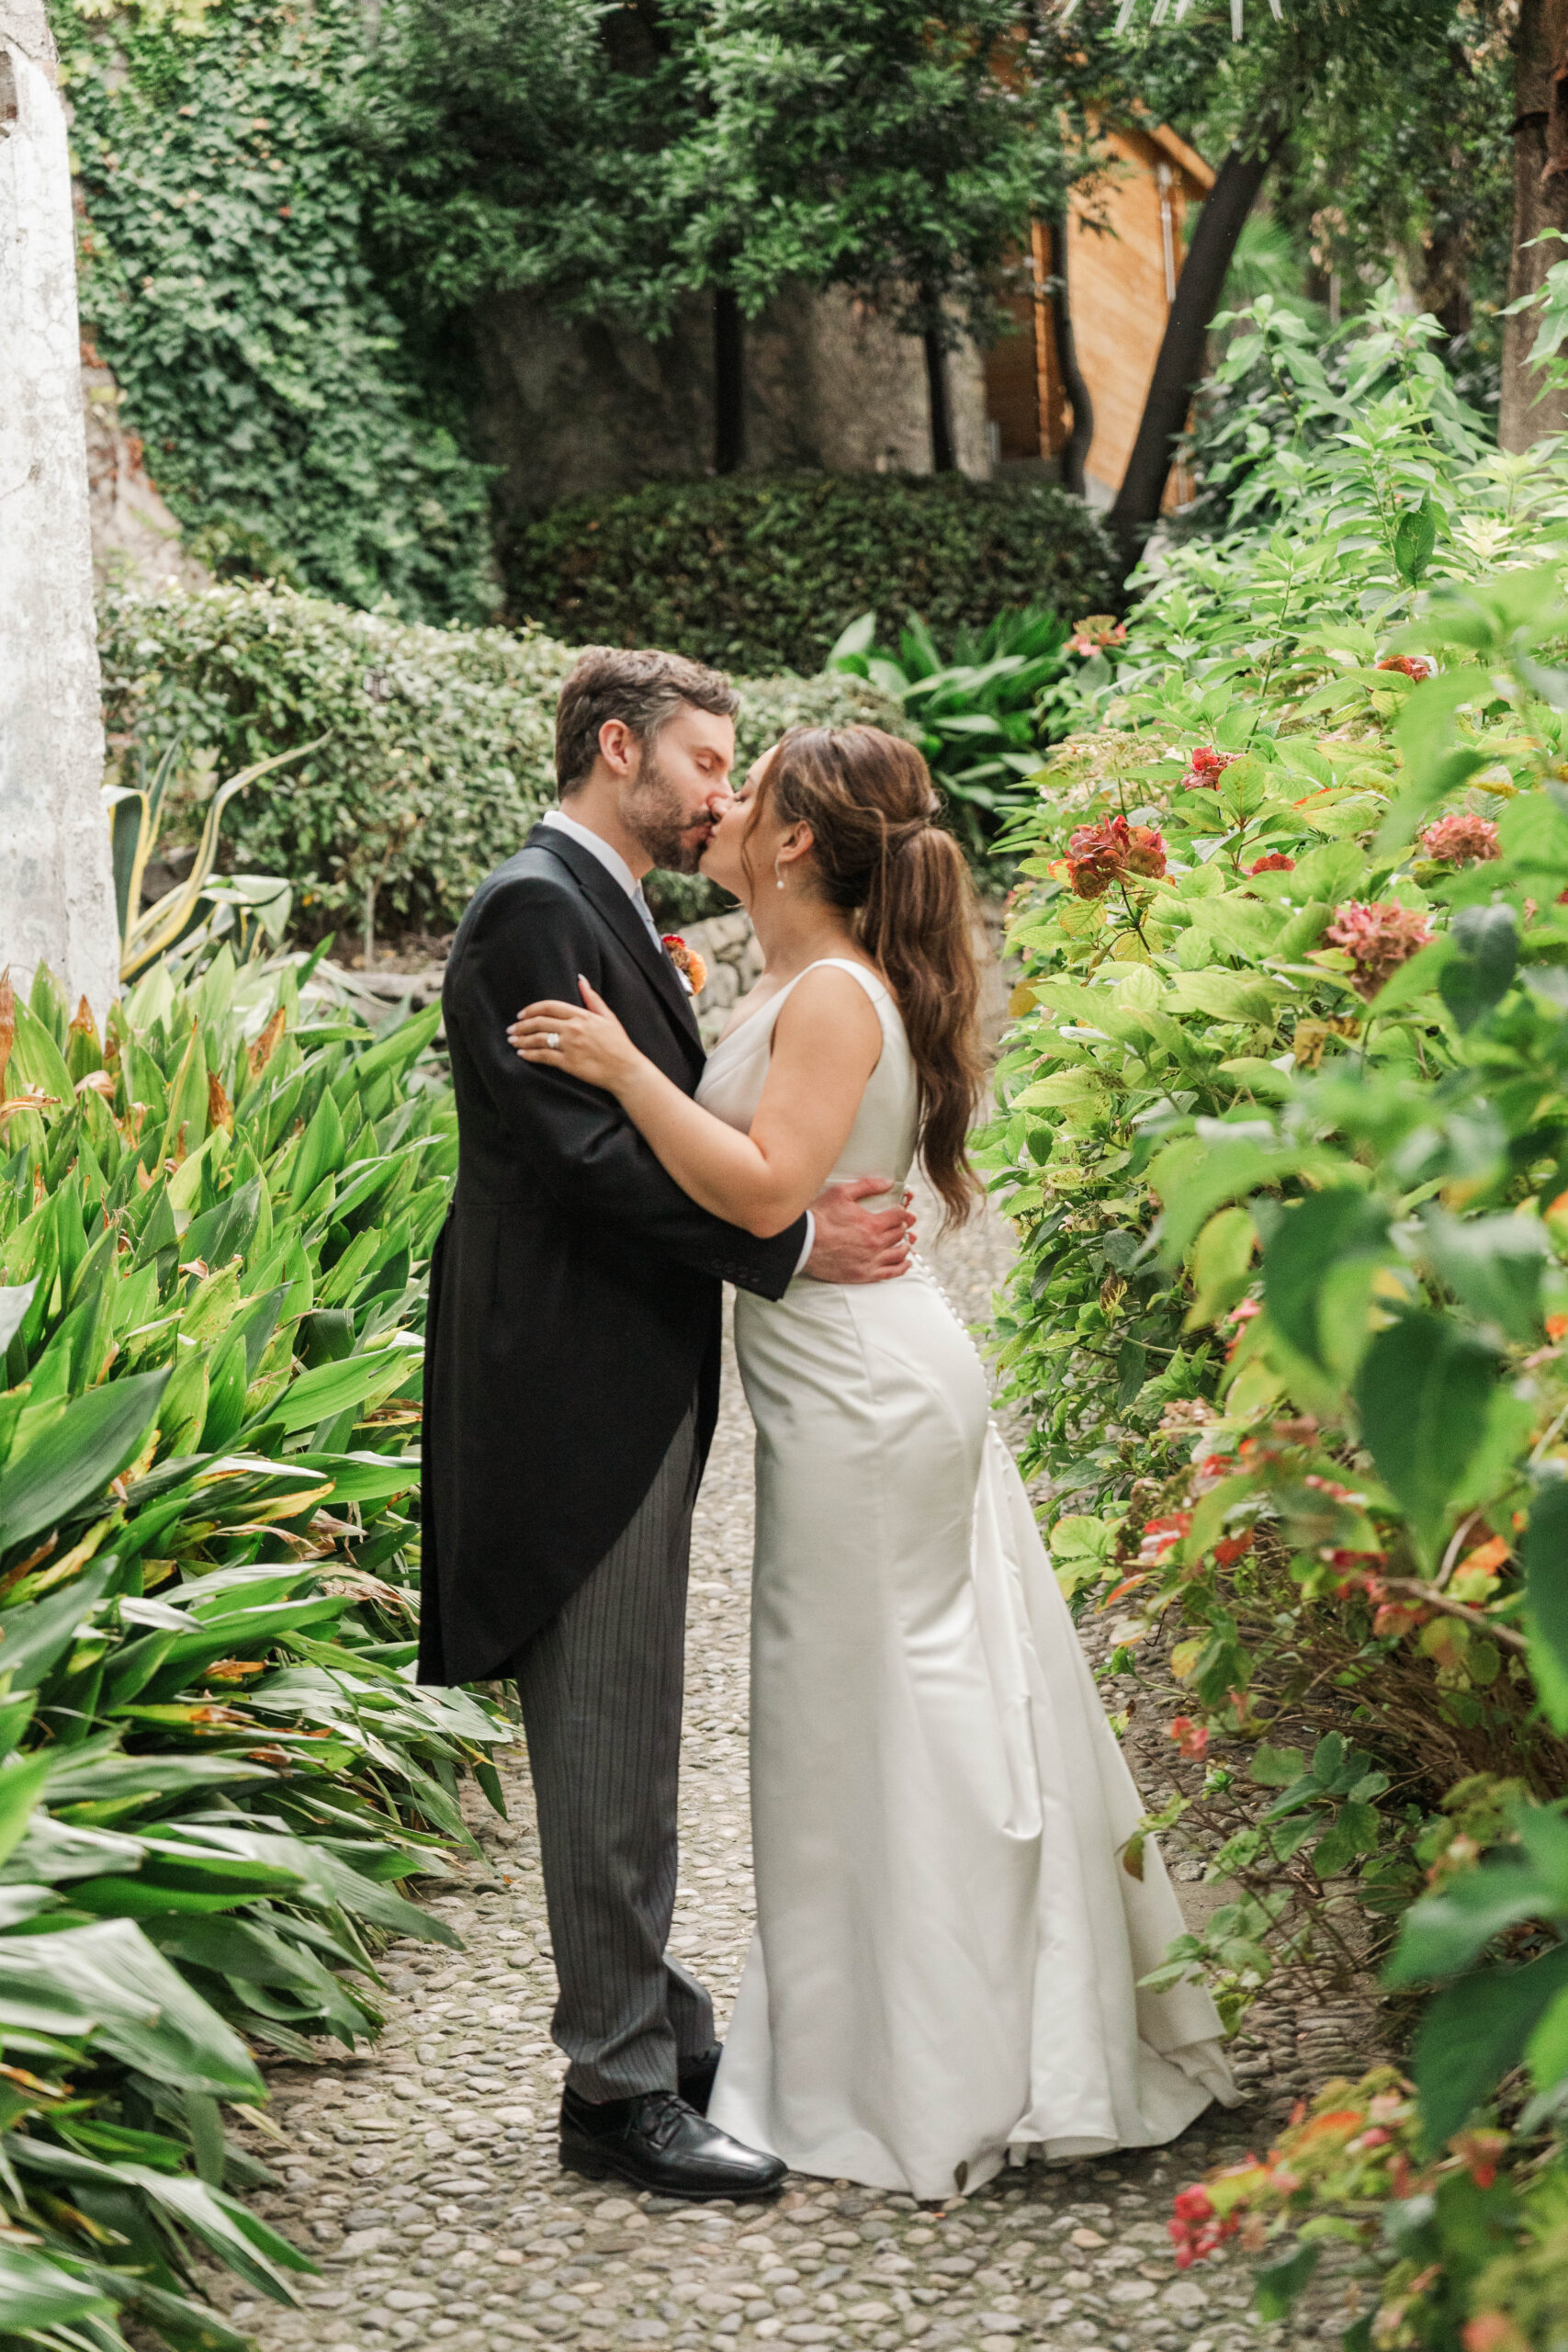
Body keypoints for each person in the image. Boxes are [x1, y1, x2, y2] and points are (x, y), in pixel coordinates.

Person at [509, 722, 1237, 2201]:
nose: (720, 799)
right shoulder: (814, 984)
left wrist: (617, 1067)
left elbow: (768, 1186)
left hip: (864, 1400)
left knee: (879, 1721)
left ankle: (930, 2060)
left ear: (789, 843)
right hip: (854, 1386)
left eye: (747, 784)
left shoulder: (836, 992)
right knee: (877, 1714)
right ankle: (920, 2033)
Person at [418, 650, 914, 2204]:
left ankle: (658, 2017)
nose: (724, 793)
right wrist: (784, 1247)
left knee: (623, 1727)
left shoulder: (610, 910)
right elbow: (583, 1160)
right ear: (616, 747)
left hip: (621, 1373)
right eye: (706, 762)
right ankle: (617, 2087)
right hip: (565, 1384)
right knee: (608, 1730)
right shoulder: (533, 912)